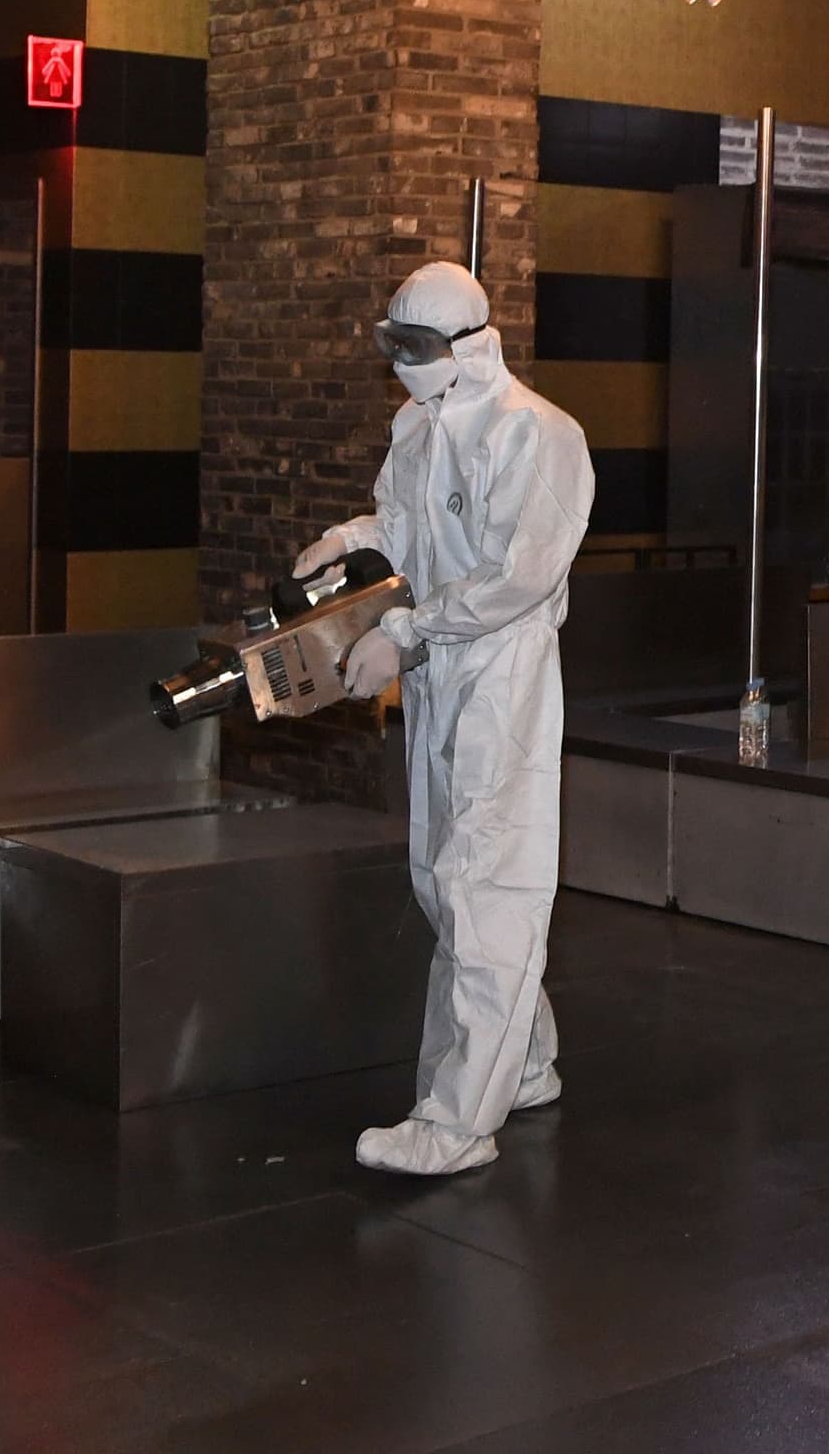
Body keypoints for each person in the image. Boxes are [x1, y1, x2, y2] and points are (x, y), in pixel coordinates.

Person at [296, 262, 596, 1178]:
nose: (403, 366)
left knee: (487, 883)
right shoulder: (418, 427)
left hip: (500, 675)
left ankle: (458, 1121)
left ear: (471, 347)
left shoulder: (538, 436)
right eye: (392, 347)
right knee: (441, 876)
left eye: (417, 350)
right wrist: (348, 544)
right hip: (434, 674)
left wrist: (410, 632)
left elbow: (518, 578)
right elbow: (403, 523)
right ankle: (527, 1062)